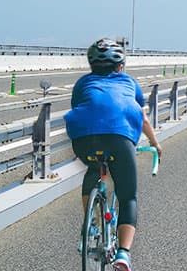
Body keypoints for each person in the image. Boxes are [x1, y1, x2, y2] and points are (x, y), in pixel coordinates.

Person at [64, 38, 161, 271]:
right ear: (120, 66)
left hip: (83, 140)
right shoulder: (128, 82)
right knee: (128, 196)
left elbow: (82, 106)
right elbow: (142, 116)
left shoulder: (82, 83)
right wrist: (155, 143)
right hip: (119, 138)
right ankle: (123, 254)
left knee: (93, 169)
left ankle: (91, 224)